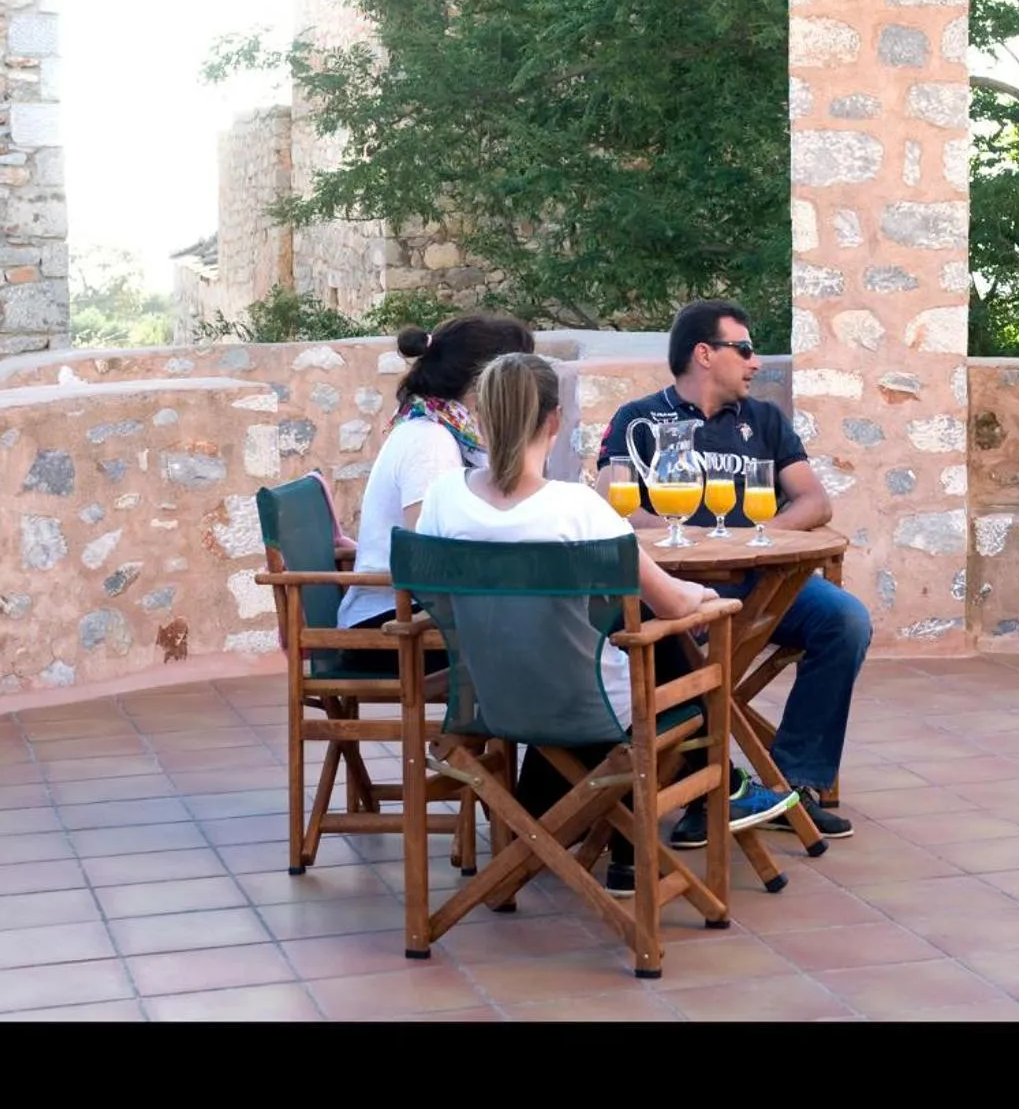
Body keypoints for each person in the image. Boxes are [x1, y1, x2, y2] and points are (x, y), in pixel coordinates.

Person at [417, 351, 798, 895]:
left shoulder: (444, 498)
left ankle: (570, 825)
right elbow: (671, 604)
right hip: (590, 707)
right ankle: (661, 829)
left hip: (487, 702)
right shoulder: (580, 509)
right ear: (553, 421)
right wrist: (706, 596)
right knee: (675, 667)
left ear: (482, 418)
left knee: (634, 647)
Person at [598, 300, 871, 846]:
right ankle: (707, 792)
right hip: (674, 593)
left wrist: (757, 539)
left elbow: (815, 502)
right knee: (669, 643)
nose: (754, 361)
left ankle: (793, 780)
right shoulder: (640, 420)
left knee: (845, 621)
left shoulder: (765, 420)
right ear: (704, 354)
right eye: (743, 349)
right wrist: (682, 540)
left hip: (761, 587)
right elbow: (611, 501)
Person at [338, 315, 534, 674]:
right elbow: (426, 559)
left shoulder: (443, 428)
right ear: (485, 382)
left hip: (414, 613)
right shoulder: (430, 441)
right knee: (548, 632)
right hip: (390, 625)